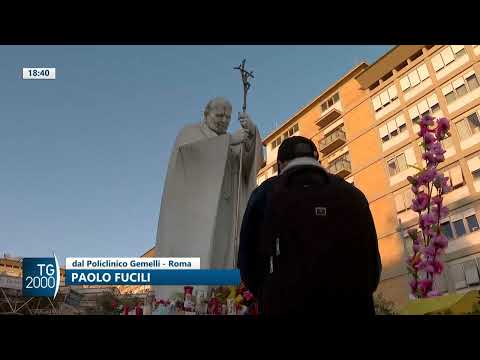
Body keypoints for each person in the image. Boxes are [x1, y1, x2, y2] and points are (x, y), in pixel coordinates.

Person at [238, 136, 382, 315]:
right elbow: (372, 268)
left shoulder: (265, 193)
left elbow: (247, 262)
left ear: (281, 165)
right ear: (317, 160)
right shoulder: (353, 195)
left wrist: (268, 295)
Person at [154, 97, 264, 302]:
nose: (223, 120)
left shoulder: (231, 141)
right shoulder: (191, 132)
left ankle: (218, 299)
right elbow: (191, 155)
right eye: (219, 115)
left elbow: (248, 167)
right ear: (206, 114)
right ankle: (184, 299)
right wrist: (230, 140)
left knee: (221, 255)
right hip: (195, 216)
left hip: (225, 212)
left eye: (228, 117)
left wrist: (251, 135)